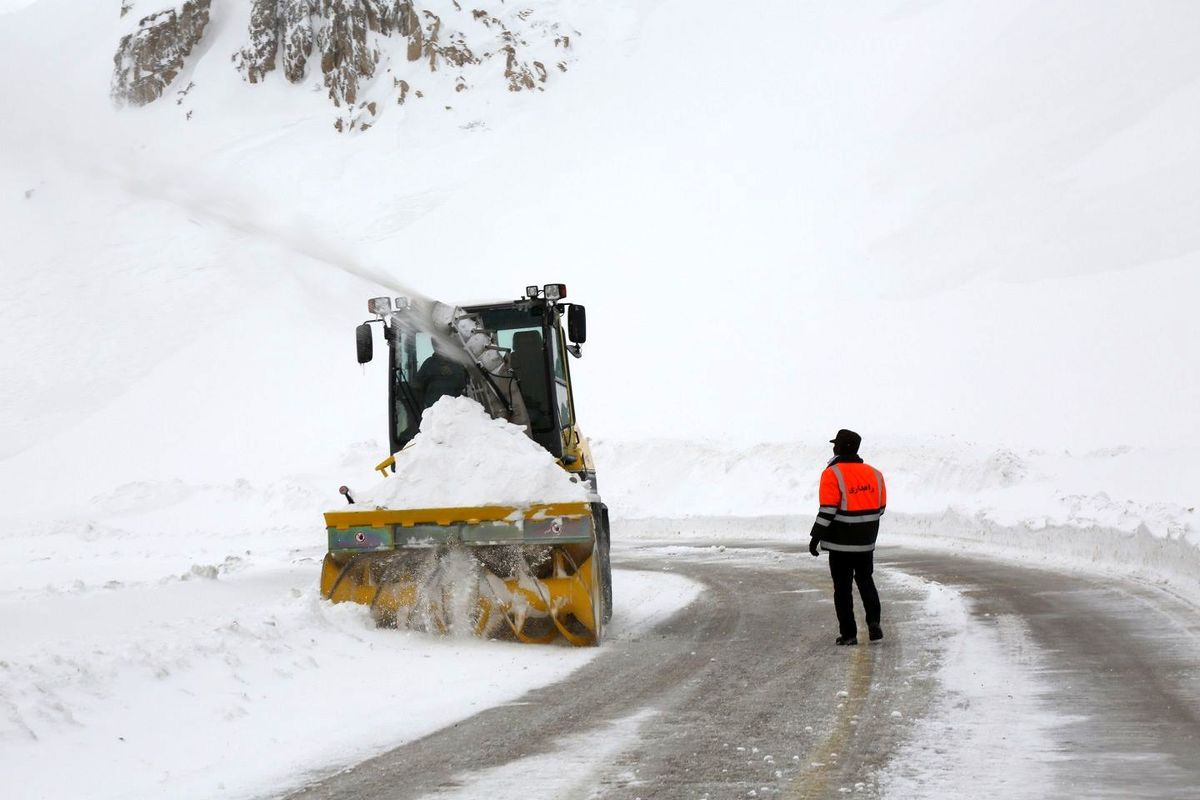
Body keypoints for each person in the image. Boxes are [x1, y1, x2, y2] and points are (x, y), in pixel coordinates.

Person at [808, 429, 887, 646]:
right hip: (865, 542)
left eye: (836, 444)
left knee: (842, 589)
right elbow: (880, 508)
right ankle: (873, 623)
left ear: (840, 448)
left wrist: (816, 536)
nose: (833, 448)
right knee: (866, 581)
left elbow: (827, 510)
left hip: (840, 543)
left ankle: (849, 634)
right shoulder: (875, 474)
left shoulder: (832, 473)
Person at [414, 338, 469, 410]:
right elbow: (417, 386)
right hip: (435, 412)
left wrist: (453, 372)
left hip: (456, 411)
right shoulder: (429, 364)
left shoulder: (458, 364)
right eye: (436, 345)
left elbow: (465, 384)